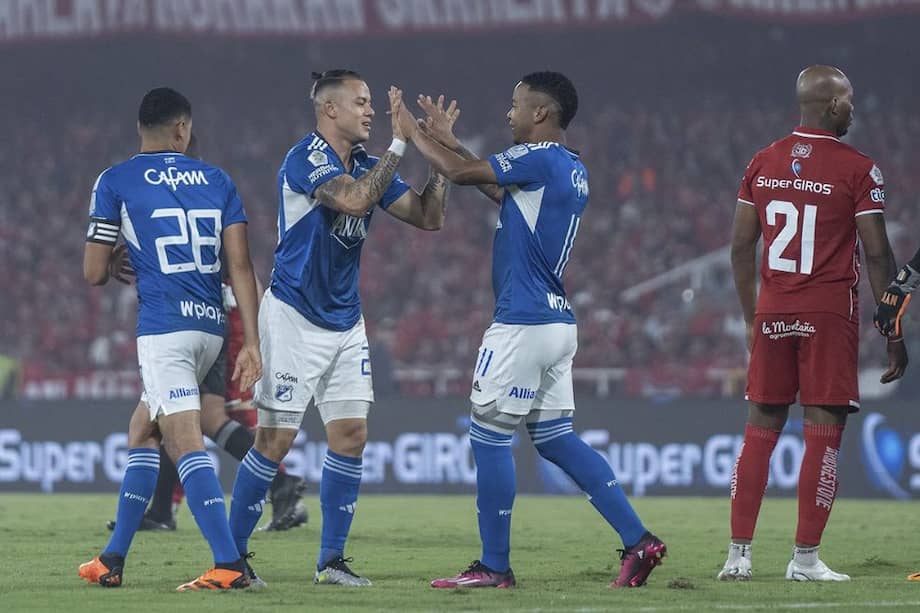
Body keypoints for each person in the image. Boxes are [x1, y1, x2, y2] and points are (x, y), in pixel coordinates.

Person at [398, 72, 666, 589]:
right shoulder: (569, 167)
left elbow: (459, 174)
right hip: (557, 322)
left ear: (541, 114)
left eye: (516, 105)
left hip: (521, 321)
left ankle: (494, 566)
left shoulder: (538, 155)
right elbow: (500, 190)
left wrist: (413, 135)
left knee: (489, 438)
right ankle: (639, 540)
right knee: (556, 438)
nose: (508, 114)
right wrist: (448, 141)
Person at [227, 69, 450, 587]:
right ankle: (231, 559)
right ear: (330, 110)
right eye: (362, 102)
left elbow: (428, 216)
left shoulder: (370, 165)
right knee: (275, 442)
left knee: (351, 436)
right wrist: (401, 140)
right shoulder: (305, 157)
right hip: (293, 317)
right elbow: (352, 200)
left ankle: (331, 562)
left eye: (373, 104)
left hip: (346, 321)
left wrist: (436, 155)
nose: (371, 111)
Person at [721, 65, 908, 583]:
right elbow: (877, 255)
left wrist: (751, 318)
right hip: (827, 315)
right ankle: (804, 560)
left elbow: (740, 246)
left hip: (774, 311)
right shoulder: (859, 169)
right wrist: (893, 331)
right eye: (848, 100)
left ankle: (738, 557)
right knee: (823, 437)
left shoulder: (762, 161)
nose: (853, 108)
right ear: (829, 105)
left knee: (758, 434)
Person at [78, 87, 262, 591]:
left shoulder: (115, 180)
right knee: (143, 429)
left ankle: (229, 564)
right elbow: (241, 267)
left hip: (164, 330)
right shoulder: (218, 179)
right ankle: (111, 559)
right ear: (183, 129)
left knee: (183, 441)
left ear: (141, 128)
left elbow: (94, 273)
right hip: (212, 328)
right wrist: (254, 342)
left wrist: (115, 254)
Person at [103, 137, 306, 535]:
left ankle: (278, 485)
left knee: (207, 416)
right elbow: (241, 264)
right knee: (172, 414)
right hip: (215, 315)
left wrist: (254, 335)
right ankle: (163, 509)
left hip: (201, 318)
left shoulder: (164, 192)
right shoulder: (210, 190)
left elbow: (238, 268)